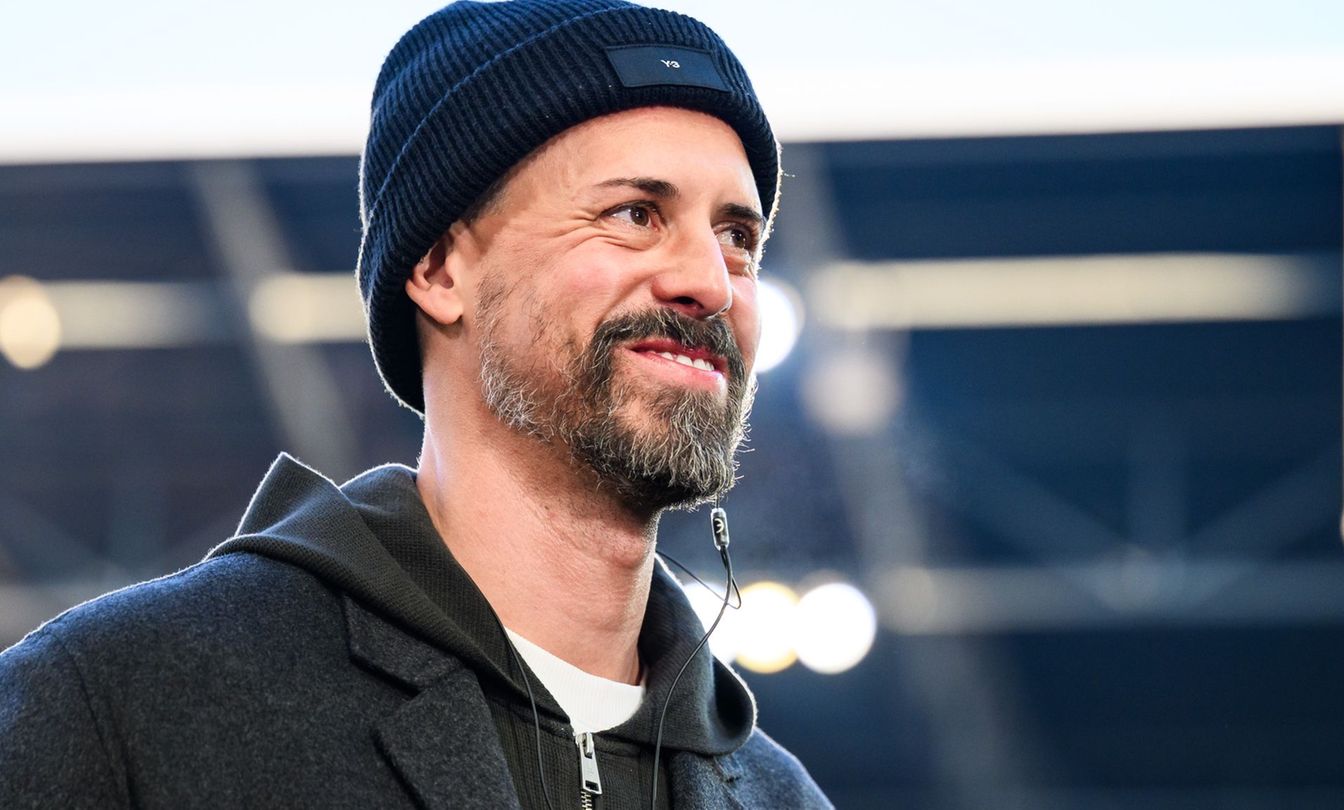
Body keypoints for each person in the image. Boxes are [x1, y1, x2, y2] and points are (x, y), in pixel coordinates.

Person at [0, 1, 832, 807]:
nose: (710, 282)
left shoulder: (781, 796)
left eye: (739, 237)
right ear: (439, 270)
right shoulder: (124, 703)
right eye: (634, 213)